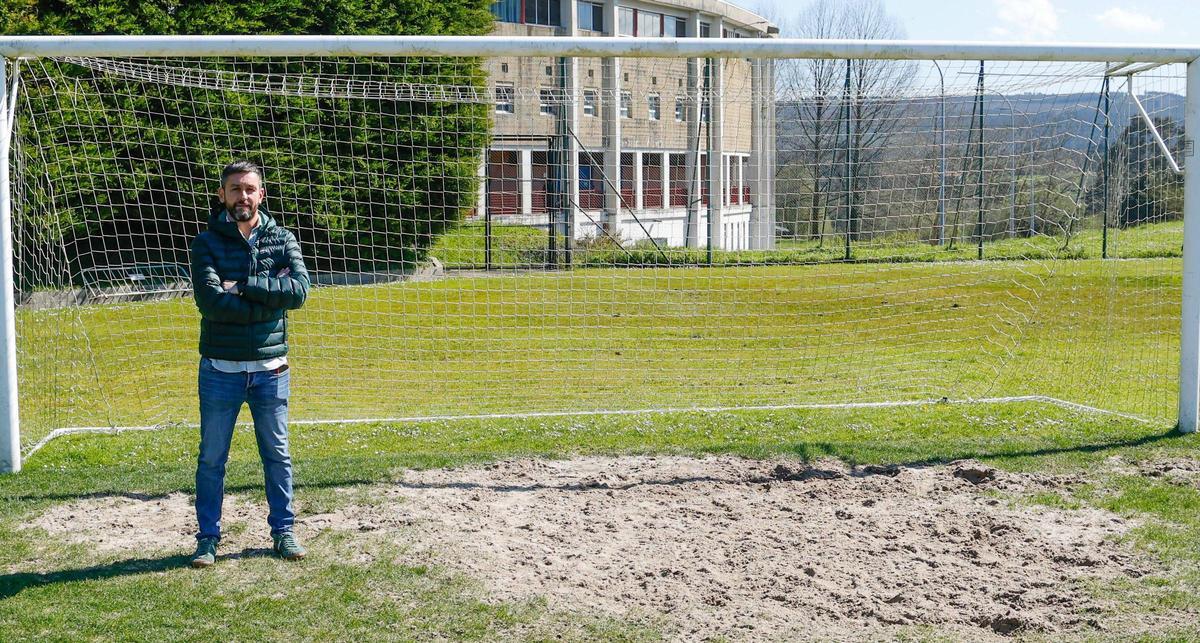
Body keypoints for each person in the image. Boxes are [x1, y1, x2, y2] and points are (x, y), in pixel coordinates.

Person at [189, 160, 310, 568]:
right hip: (220, 371)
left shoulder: (281, 237)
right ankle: (207, 538)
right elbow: (209, 302)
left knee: (277, 455)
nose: (243, 196)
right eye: (235, 189)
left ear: (262, 194)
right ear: (221, 195)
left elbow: (298, 292)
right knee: (211, 458)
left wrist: (242, 287)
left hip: (270, 370)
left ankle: (284, 532)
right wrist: (265, 300)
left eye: (250, 189)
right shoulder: (206, 242)